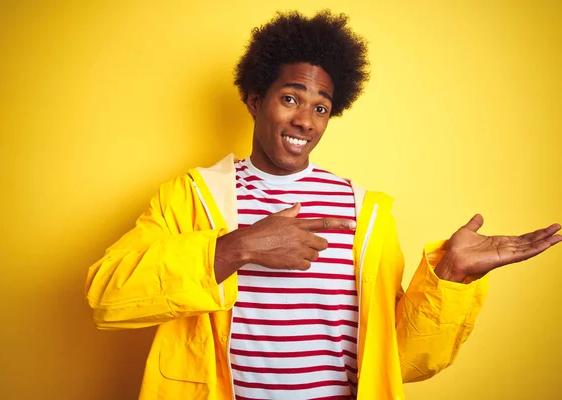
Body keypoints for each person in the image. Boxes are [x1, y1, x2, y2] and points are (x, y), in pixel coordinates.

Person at [85, 10, 561, 400]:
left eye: (320, 107)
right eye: (290, 98)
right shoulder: (191, 197)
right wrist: (237, 247)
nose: (305, 120)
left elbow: (399, 359)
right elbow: (107, 296)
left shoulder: (364, 212)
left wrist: (453, 275)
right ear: (254, 100)